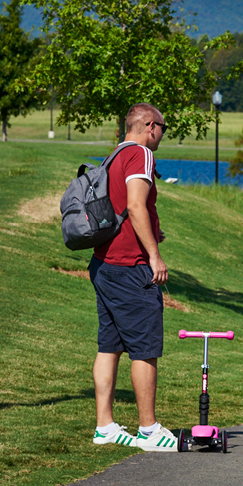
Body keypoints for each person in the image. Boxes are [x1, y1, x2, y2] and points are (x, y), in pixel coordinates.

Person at [89, 103, 177, 452]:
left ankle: (105, 426)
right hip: (130, 267)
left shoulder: (114, 155)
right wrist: (154, 255)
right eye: (164, 128)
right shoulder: (140, 154)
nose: (162, 135)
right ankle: (148, 430)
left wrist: (154, 234)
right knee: (145, 347)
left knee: (108, 346)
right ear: (150, 126)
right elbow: (136, 205)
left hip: (104, 263)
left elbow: (126, 209)